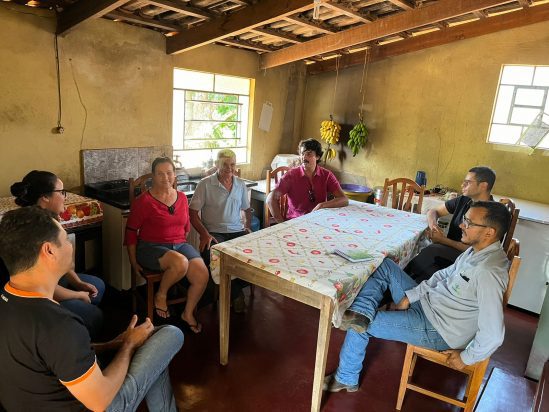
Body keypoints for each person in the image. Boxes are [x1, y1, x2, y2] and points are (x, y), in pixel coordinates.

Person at [0, 206, 183, 411]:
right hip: (97, 402)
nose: (70, 245)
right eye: (65, 238)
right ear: (49, 250)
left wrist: (111, 344)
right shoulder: (58, 324)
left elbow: (52, 354)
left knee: (152, 352)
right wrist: (128, 345)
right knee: (170, 334)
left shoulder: (9, 300)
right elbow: (100, 401)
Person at [324, 201, 511, 392]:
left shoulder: (489, 272)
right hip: (429, 303)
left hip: (439, 328)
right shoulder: (476, 251)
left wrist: (466, 358)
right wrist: (411, 296)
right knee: (385, 265)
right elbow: (442, 275)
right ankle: (362, 312)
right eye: (465, 219)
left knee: (362, 326)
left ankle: (346, 377)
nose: (462, 225)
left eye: (469, 223)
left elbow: (494, 334)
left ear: (489, 232)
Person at [9, 170, 105, 339]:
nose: (65, 197)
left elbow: (61, 263)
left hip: (52, 281)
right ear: (45, 197)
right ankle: (76, 340)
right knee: (95, 316)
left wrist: (78, 282)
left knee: (98, 285)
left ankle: (75, 324)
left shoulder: (50, 219)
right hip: (37, 296)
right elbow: (41, 285)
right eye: (61, 192)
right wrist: (77, 294)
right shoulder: (35, 230)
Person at [125, 157, 209, 333]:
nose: (166, 177)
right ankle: (160, 295)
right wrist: (133, 262)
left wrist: (178, 243)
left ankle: (187, 313)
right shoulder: (143, 201)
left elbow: (185, 228)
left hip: (179, 244)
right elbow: (131, 232)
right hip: (150, 247)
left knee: (202, 274)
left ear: (175, 175)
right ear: (153, 177)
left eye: (169, 173)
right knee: (180, 263)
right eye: (160, 174)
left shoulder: (181, 198)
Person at [406, 166, 496, 283]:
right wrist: (434, 226)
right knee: (425, 262)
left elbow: (475, 250)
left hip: (467, 259)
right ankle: (406, 287)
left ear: (483, 185)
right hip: (449, 249)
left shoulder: (490, 213)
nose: (462, 185)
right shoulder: (464, 200)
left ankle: (400, 286)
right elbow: (433, 211)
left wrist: (443, 240)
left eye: (467, 182)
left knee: (430, 252)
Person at [189, 149, 252, 312]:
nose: (229, 168)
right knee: (218, 256)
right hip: (214, 233)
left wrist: (247, 227)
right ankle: (236, 294)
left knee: (251, 257)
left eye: (232, 164)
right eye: (225, 164)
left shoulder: (240, 184)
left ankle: (231, 290)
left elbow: (247, 209)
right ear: (217, 165)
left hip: (237, 231)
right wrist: (204, 234)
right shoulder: (205, 184)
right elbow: (192, 213)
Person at [266, 138, 348, 223]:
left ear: (317, 156)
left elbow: (344, 199)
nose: (304, 157)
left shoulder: (326, 175)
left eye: (309, 154)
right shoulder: (291, 176)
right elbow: (270, 199)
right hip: (296, 223)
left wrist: (322, 205)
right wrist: (281, 223)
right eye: (302, 154)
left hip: (319, 221)